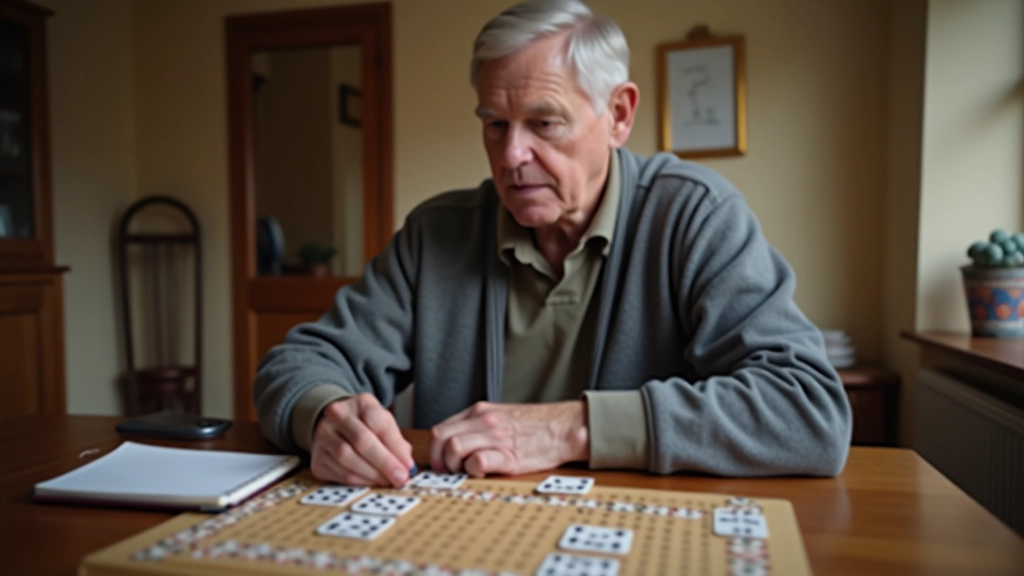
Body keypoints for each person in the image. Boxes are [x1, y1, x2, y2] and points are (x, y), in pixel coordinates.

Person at [254, 0, 851, 488]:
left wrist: (573, 427)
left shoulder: (696, 215)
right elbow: (296, 365)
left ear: (618, 115)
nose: (512, 157)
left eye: (545, 123)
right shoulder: (437, 234)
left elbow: (808, 411)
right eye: (495, 124)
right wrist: (324, 416)